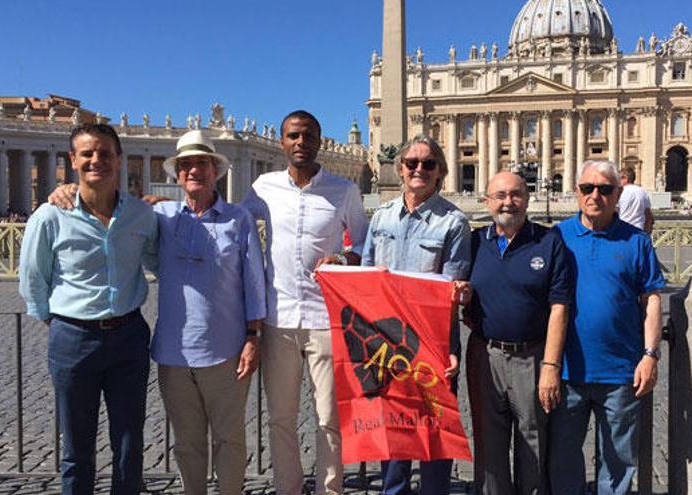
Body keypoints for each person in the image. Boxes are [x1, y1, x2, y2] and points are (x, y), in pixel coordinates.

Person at [47, 130, 268, 494]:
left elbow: (254, 283)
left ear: (216, 170)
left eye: (201, 163)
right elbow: (110, 205)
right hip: (173, 353)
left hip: (227, 351)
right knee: (186, 443)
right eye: (186, 165)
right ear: (177, 174)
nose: (194, 170)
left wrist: (253, 336)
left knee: (230, 440)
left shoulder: (238, 218)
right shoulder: (157, 215)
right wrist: (64, 190)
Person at [19, 123, 158, 494]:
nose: (97, 160)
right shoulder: (49, 216)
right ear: (73, 160)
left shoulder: (142, 216)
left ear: (119, 159)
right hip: (73, 337)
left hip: (129, 336)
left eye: (105, 153)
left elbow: (163, 261)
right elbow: (33, 276)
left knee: (130, 441)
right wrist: (56, 321)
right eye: (87, 154)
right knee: (76, 445)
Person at [242, 110, 369, 495]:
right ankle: (288, 489)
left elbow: (363, 245)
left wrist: (344, 259)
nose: (301, 142)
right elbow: (232, 229)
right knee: (281, 418)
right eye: (293, 136)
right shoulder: (262, 187)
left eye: (308, 135)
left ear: (319, 140)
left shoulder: (343, 190)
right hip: (278, 317)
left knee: (330, 417)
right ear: (283, 141)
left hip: (327, 318)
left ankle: (331, 490)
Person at [360, 134, 470, 495]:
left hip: (432, 341)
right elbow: (365, 278)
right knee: (392, 425)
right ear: (400, 169)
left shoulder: (453, 222)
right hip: (386, 341)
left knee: (434, 429)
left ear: (440, 171)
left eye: (428, 163)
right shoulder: (382, 217)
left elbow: (450, 292)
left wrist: (447, 347)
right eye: (412, 163)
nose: (419, 169)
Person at [550, 160, 665, 495]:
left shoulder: (637, 241)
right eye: (588, 188)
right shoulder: (558, 236)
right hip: (568, 370)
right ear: (576, 193)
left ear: (618, 194)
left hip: (621, 371)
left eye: (605, 189)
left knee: (618, 462)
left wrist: (650, 355)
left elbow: (652, 301)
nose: (595, 195)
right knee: (564, 458)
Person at [463, 171, 571, 494]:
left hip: (533, 356)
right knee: (488, 442)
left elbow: (560, 307)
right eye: (500, 195)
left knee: (533, 441)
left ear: (527, 199)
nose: (508, 202)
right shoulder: (474, 242)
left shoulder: (548, 240)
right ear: (487, 201)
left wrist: (551, 366)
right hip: (485, 354)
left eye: (515, 194)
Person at [616, 167, 653, 233]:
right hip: (639, 230)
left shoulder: (619, 192)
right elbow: (648, 216)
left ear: (625, 178)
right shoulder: (643, 192)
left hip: (622, 231)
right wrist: (646, 233)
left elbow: (614, 213)